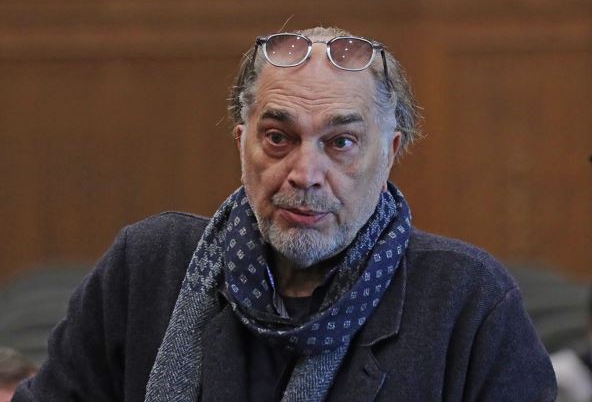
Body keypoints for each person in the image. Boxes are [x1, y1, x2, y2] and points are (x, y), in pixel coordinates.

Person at [13, 26, 556, 401]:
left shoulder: (467, 299)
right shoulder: (149, 267)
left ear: (390, 153)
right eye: (278, 137)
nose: (305, 173)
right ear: (241, 142)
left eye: (341, 142)